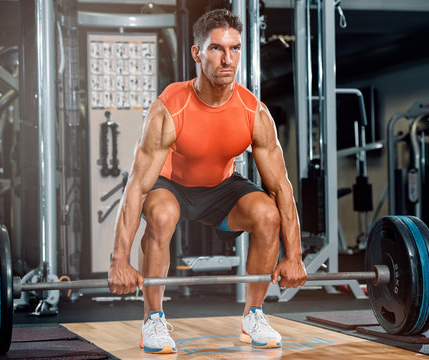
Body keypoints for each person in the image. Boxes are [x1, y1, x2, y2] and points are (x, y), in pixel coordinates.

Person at [108, 8, 307, 354]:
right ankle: (152, 319)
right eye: (216, 48)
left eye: (234, 49)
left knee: (267, 214)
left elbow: (281, 187)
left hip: (221, 189)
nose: (227, 59)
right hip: (170, 186)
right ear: (197, 54)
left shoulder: (254, 112)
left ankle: (253, 315)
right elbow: (137, 187)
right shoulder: (169, 108)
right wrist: (119, 261)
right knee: (161, 214)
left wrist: (295, 255)